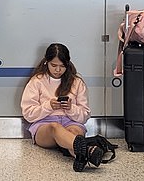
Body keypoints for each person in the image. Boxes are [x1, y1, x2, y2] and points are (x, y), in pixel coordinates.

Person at [20, 43, 104, 172]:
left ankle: (81, 156)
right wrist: (48, 106)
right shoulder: (37, 81)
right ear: (46, 62)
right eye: (54, 65)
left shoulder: (77, 82)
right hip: (44, 126)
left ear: (68, 64)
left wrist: (71, 108)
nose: (58, 70)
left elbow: (85, 115)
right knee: (55, 127)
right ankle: (87, 150)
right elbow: (28, 114)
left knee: (75, 133)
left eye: (62, 66)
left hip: (71, 122)